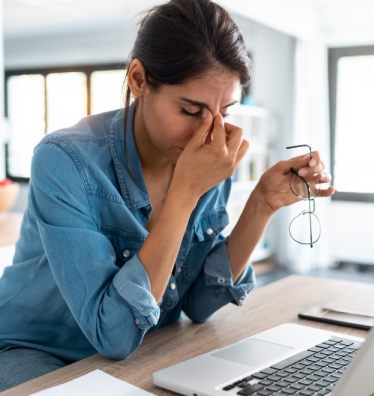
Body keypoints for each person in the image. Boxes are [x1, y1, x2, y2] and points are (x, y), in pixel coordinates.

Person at [0, 0, 334, 391]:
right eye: (192, 110)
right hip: (37, 350)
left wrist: (261, 204)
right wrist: (185, 193)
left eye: (225, 111)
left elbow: (198, 305)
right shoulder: (65, 160)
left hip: (143, 346)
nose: (209, 133)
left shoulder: (208, 156)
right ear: (139, 80)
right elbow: (114, 335)